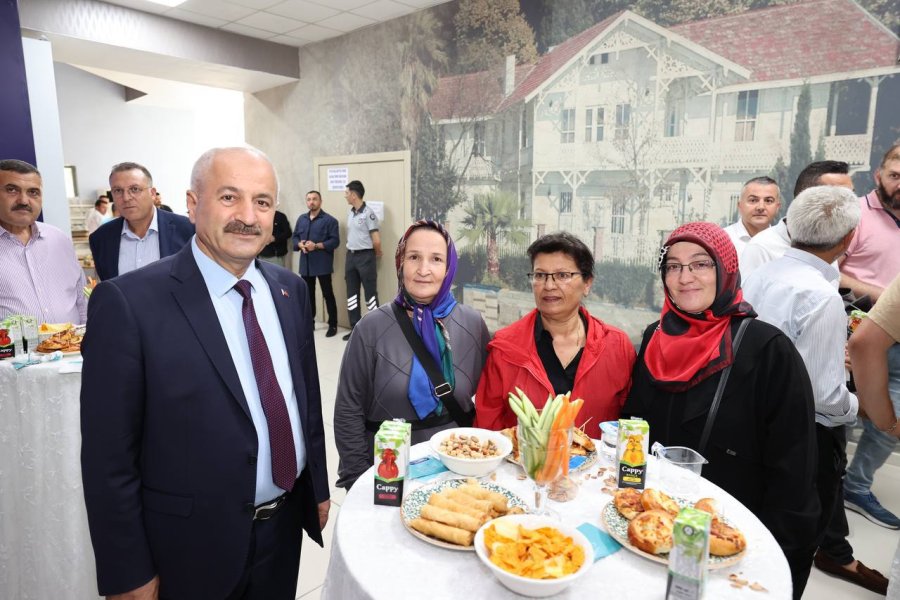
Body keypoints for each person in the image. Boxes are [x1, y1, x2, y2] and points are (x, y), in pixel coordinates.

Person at [80, 147, 330, 600]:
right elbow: (107, 459)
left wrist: (317, 489)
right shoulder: (129, 304)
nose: (248, 217)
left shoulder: (289, 290)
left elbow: (303, 399)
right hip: (190, 548)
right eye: (230, 197)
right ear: (193, 205)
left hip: (283, 531)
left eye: (263, 202)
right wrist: (127, 571)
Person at [622, 222, 820, 599]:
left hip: (733, 539)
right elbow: (636, 427)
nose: (685, 277)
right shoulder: (654, 338)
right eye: (673, 266)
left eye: (700, 264)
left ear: (726, 269)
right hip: (651, 528)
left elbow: (794, 474)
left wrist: (774, 562)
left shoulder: (768, 351)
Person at [743, 187, 887, 594]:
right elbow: (825, 399)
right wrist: (862, 406)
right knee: (794, 542)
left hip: (756, 426)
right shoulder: (820, 295)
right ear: (848, 239)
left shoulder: (762, 274)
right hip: (804, 438)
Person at [334, 220, 489, 490]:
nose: (423, 270)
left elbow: (490, 397)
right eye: (414, 257)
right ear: (400, 263)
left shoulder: (472, 324)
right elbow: (348, 410)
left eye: (436, 259)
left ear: (449, 267)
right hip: (388, 471)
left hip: (455, 470)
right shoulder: (370, 328)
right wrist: (357, 479)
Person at [473, 232, 635, 440]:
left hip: (597, 471)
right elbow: (486, 430)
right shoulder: (504, 348)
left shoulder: (617, 346)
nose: (549, 286)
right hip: (524, 470)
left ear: (587, 283)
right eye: (540, 275)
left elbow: (631, 424)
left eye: (562, 275)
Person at [0, 159, 87, 324]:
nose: (24, 201)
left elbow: (81, 299)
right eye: (12, 190)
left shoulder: (59, 239)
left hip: (73, 349)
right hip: (13, 350)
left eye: (33, 192)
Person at [740, 161, 854, 281]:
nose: (850, 205)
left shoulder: (831, 244)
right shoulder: (761, 248)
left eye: (852, 196)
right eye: (840, 197)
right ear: (804, 197)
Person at [848, 274, 900, 525]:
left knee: (888, 421)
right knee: (839, 407)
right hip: (862, 317)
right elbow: (835, 270)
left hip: (884, 334)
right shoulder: (856, 233)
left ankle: (854, 486)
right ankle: (827, 481)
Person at [89, 162, 193, 280]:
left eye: (135, 189)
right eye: (118, 191)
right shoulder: (100, 239)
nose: (126, 198)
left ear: (152, 194)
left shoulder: (188, 230)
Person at [840, 142, 900, 303]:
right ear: (878, 176)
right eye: (894, 176)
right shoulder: (853, 213)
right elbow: (824, 270)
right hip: (855, 322)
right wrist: (886, 298)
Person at [292, 190, 339, 337]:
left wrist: (316, 246)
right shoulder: (301, 219)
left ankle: (333, 324)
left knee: (328, 294)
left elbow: (335, 241)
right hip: (305, 265)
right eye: (309, 199)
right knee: (308, 295)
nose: (311, 202)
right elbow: (295, 237)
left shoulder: (330, 221)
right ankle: (309, 323)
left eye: (314, 199)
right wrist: (299, 244)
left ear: (320, 201)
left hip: (322, 264)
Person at [343, 179, 381, 341]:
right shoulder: (351, 212)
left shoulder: (369, 213)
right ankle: (355, 329)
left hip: (365, 256)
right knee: (352, 294)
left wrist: (377, 253)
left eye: (346, 193)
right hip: (350, 256)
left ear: (353, 195)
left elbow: (376, 240)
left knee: (370, 295)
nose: (345, 196)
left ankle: (376, 331)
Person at [723, 176, 781, 256]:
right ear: (740, 205)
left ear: (777, 207)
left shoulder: (784, 245)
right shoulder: (722, 239)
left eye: (768, 201)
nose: (761, 207)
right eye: (753, 200)